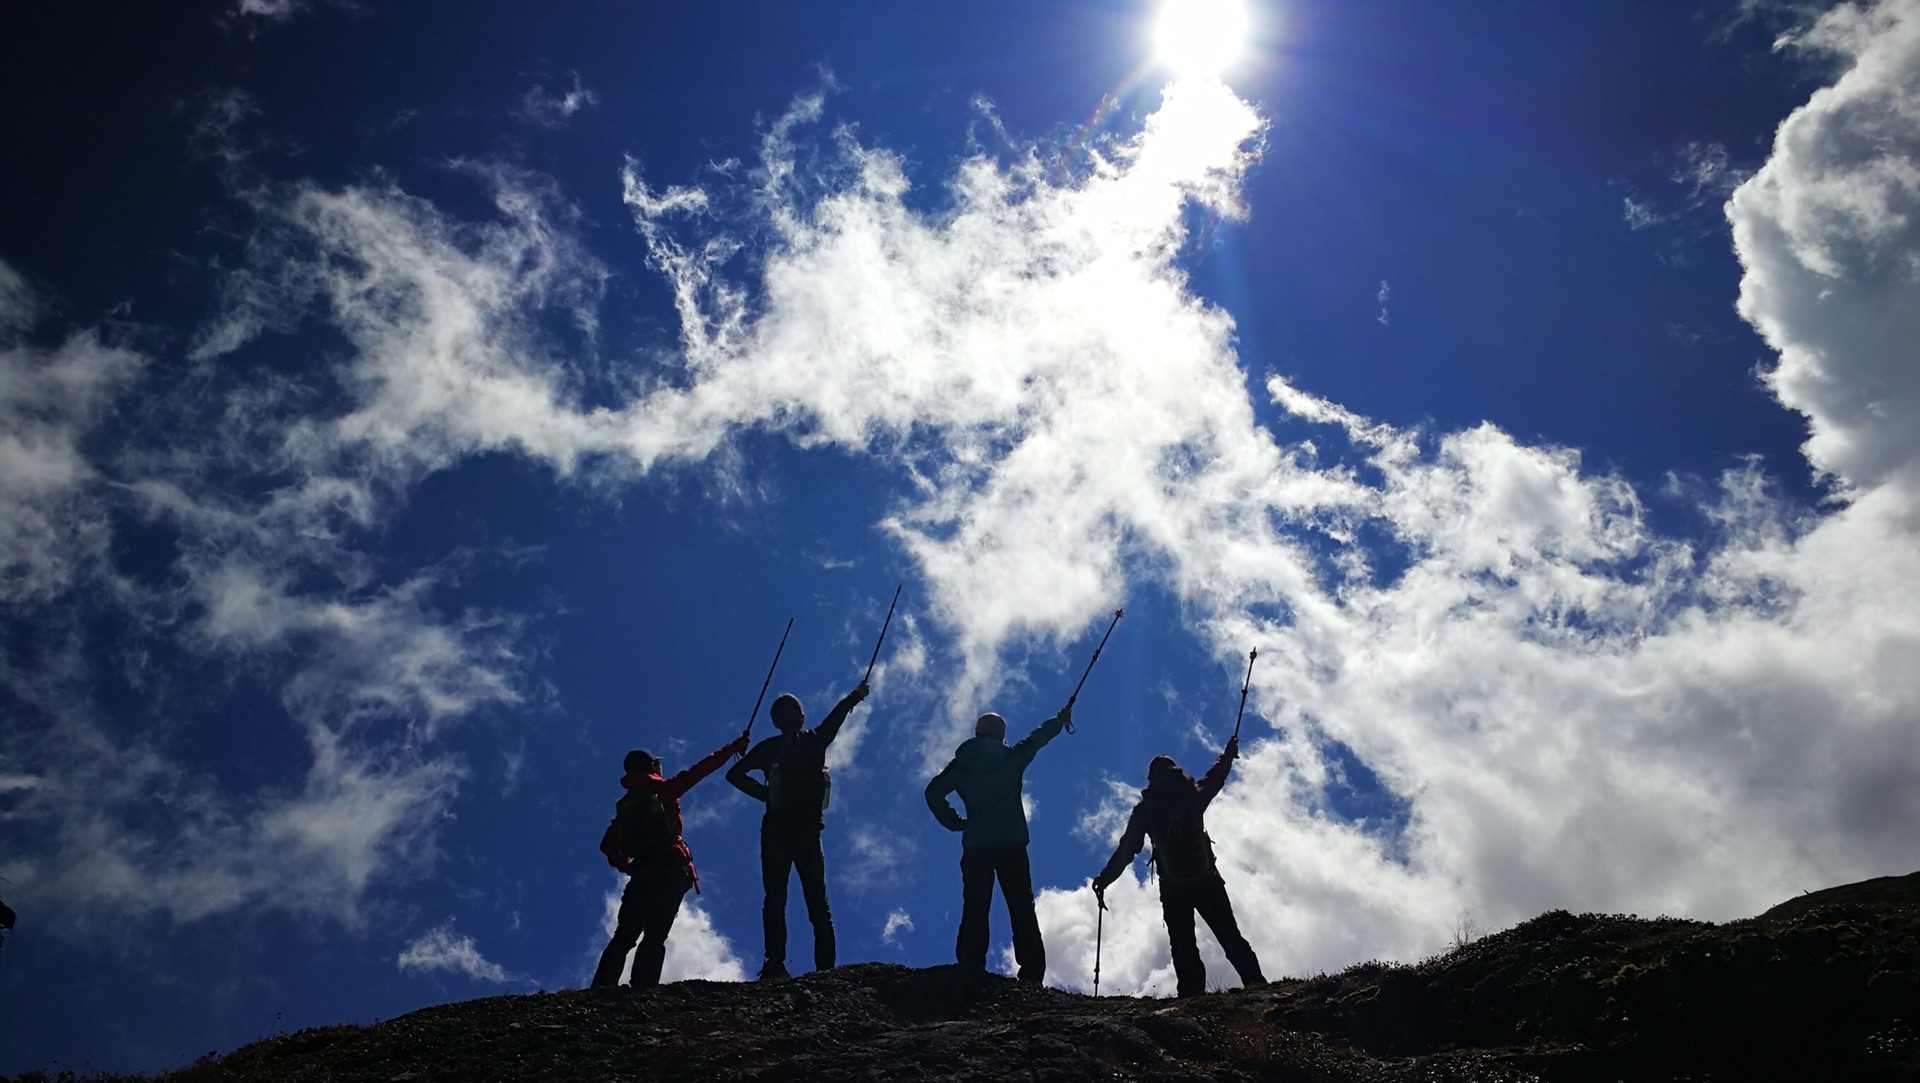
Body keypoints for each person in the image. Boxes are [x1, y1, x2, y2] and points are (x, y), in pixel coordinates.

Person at [1091, 735, 1266, 997]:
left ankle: (1191, 998)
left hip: (1174, 888)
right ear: (1176, 772)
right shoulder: (1192, 797)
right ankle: (1256, 986)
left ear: (1151, 780)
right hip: (1207, 879)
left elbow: (1127, 850)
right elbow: (1216, 776)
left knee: (1183, 947)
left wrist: (1104, 880)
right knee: (1230, 937)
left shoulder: (1146, 811)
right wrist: (1228, 754)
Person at [726, 681, 870, 980]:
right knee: (817, 900)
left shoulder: (768, 749)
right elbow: (838, 714)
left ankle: (775, 963)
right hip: (807, 831)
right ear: (801, 718)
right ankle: (826, 970)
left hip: (776, 829)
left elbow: (734, 775)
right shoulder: (815, 741)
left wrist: (767, 795)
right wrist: (856, 695)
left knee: (775, 897)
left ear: (776, 722)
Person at [924, 703, 1072, 983]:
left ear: (978, 733)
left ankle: (970, 965)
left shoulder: (962, 765)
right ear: (1001, 735)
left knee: (976, 905)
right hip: (1012, 842)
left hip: (977, 843)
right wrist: (1059, 720)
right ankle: (1031, 974)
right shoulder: (1012, 757)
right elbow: (1038, 737)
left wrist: (957, 822)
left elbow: (933, 792)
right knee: (1021, 907)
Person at [592, 733, 747, 989]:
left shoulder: (626, 806)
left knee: (624, 936)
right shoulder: (663, 790)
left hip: (642, 871)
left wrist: (629, 866)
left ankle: (600, 988)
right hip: (670, 867)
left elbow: (607, 847)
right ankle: (643, 989)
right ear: (653, 766)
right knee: (655, 934)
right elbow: (701, 769)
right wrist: (732, 748)